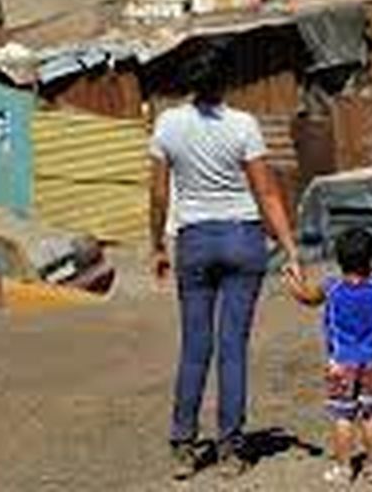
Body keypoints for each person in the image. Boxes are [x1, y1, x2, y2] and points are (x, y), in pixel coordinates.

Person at [149, 52, 298, 482]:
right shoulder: (244, 126)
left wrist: (157, 244)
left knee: (196, 347)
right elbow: (267, 192)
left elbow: (158, 195)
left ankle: (184, 447)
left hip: (194, 241)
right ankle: (231, 449)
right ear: (227, 83)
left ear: (190, 82)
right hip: (243, 240)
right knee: (232, 347)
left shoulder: (168, 125)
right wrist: (289, 247)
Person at [282, 228, 372, 486]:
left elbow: (306, 297)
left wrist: (292, 278)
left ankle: (344, 467)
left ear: (339, 258)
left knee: (343, 417)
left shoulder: (332, 287)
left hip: (341, 364)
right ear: (371, 257)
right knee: (370, 415)